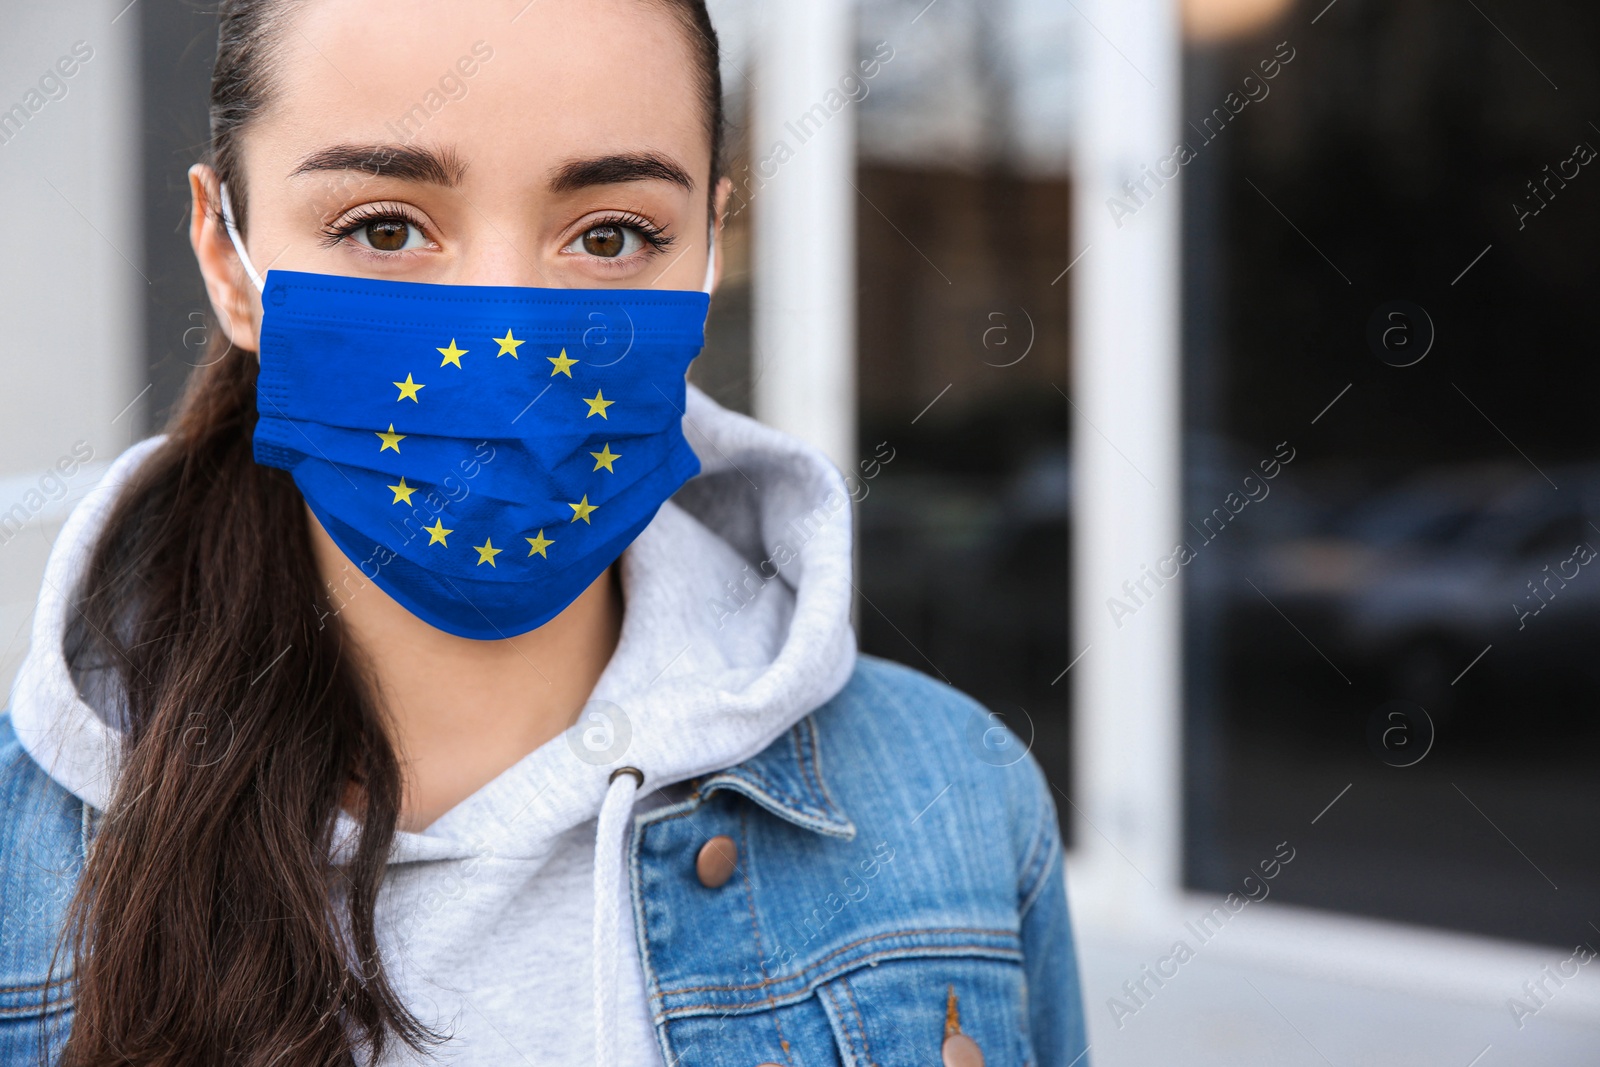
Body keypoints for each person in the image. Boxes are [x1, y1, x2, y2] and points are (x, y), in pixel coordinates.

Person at [0, 0, 1089, 1063]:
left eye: (609, 235)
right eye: (386, 227)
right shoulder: (18, 864)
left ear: (710, 252)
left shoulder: (957, 802)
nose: (509, 334)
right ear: (228, 258)